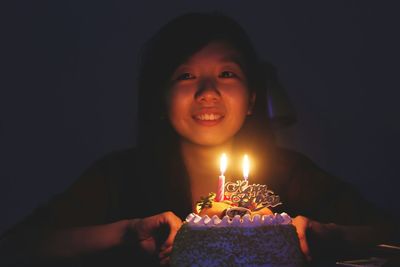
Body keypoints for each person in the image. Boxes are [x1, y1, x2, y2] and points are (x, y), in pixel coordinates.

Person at [1, 12, 398, 267]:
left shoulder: (291, 173)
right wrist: (122, 234)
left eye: (227, 74)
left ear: (252, 100)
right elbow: (18, 247)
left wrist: (328, 235)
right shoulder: (119, 175)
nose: (207, 92)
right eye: (186, 75)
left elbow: (388, 232)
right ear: (160, 98)